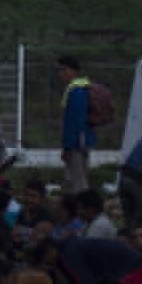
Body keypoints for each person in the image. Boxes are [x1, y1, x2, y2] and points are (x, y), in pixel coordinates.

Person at [58, 56, 94, 195]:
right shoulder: (74, 90)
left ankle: (83, 209)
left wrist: (68, 147)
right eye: (60, 70)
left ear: (74, 71)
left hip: (77, 145)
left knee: (78, 182)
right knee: (74, 180)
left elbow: (76, 123)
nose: (61, 74)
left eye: (64, 70)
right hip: (78, 143)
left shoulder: (77, 92)